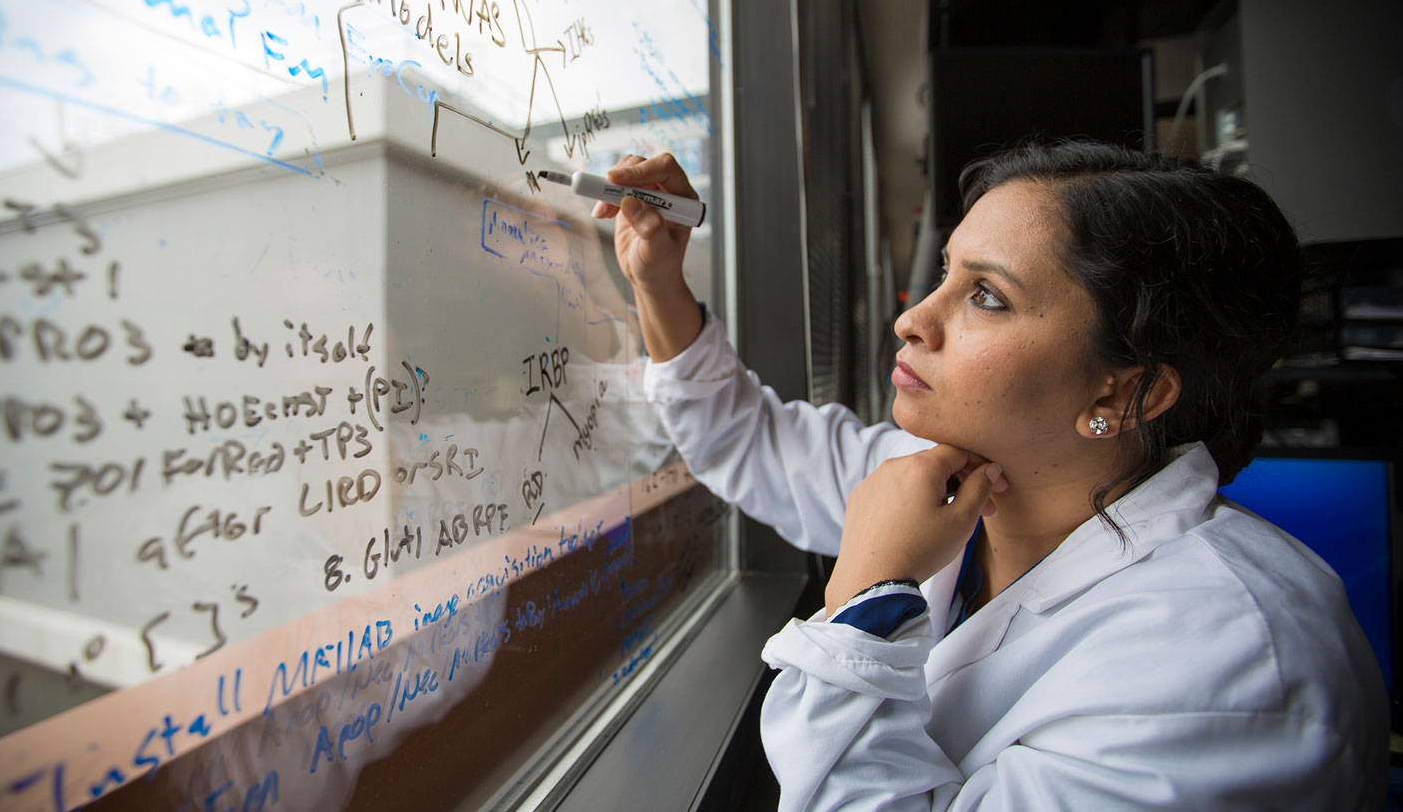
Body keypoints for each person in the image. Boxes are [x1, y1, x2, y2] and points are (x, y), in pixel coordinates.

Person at [592, 141, 1389, 810]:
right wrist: (657, 281)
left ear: (1124, 389)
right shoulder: (963, 480)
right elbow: (751, 442)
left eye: (985, 295)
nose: (914, 318)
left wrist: (864, 604)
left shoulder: (1230, 667)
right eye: (945, 272)